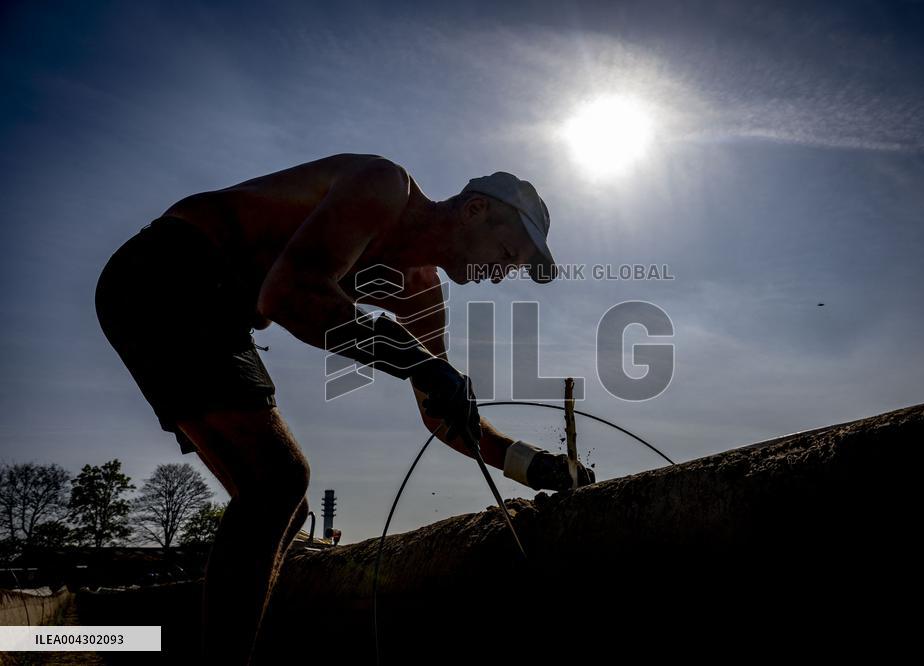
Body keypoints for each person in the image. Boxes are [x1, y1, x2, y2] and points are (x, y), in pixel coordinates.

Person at [93, 153, 595, 665]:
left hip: (220, 312)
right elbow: (288, 295)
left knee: (284, 510)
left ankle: (212, 649)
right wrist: (417, 363)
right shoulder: (384, 186)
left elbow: (442, 414)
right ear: (474, 210)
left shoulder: (421, 293)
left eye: (511, 268)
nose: (501, 273)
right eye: (507, 252)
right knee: (278, 482)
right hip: (171, 269)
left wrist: (535, 466)